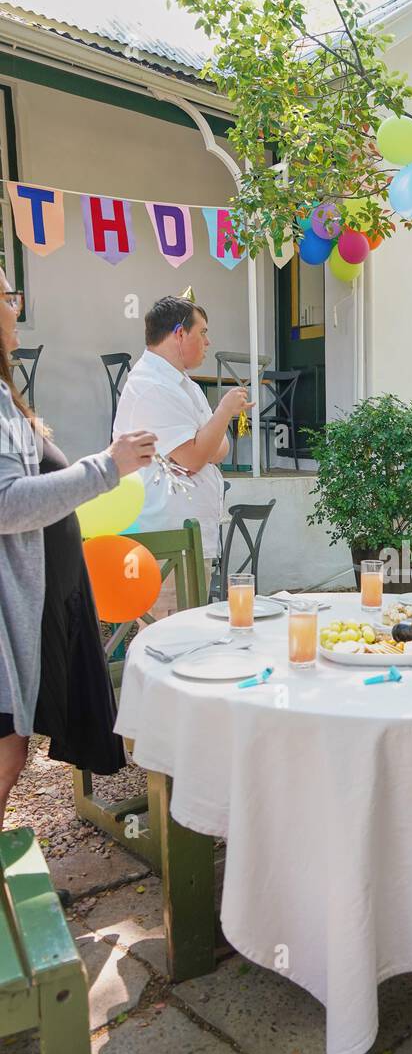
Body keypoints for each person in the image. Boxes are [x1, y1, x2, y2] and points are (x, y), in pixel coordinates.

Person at [0, 266, 156, 825]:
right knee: (4, 755)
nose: (16, 308)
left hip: (41, 600)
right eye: (7, 296)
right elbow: (7, 504)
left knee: (10, 752)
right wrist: (105, 467)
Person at [112, 294, 251, 612]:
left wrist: (207, 438)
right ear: (179, 333)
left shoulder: (182, 384)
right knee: (171, 635)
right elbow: (193, 457)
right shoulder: (153, 386)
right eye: (202, 332)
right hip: (166, 537)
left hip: (188, 535)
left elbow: (219, 449)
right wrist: (225, 411)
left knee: (188, 634)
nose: (208, 340)